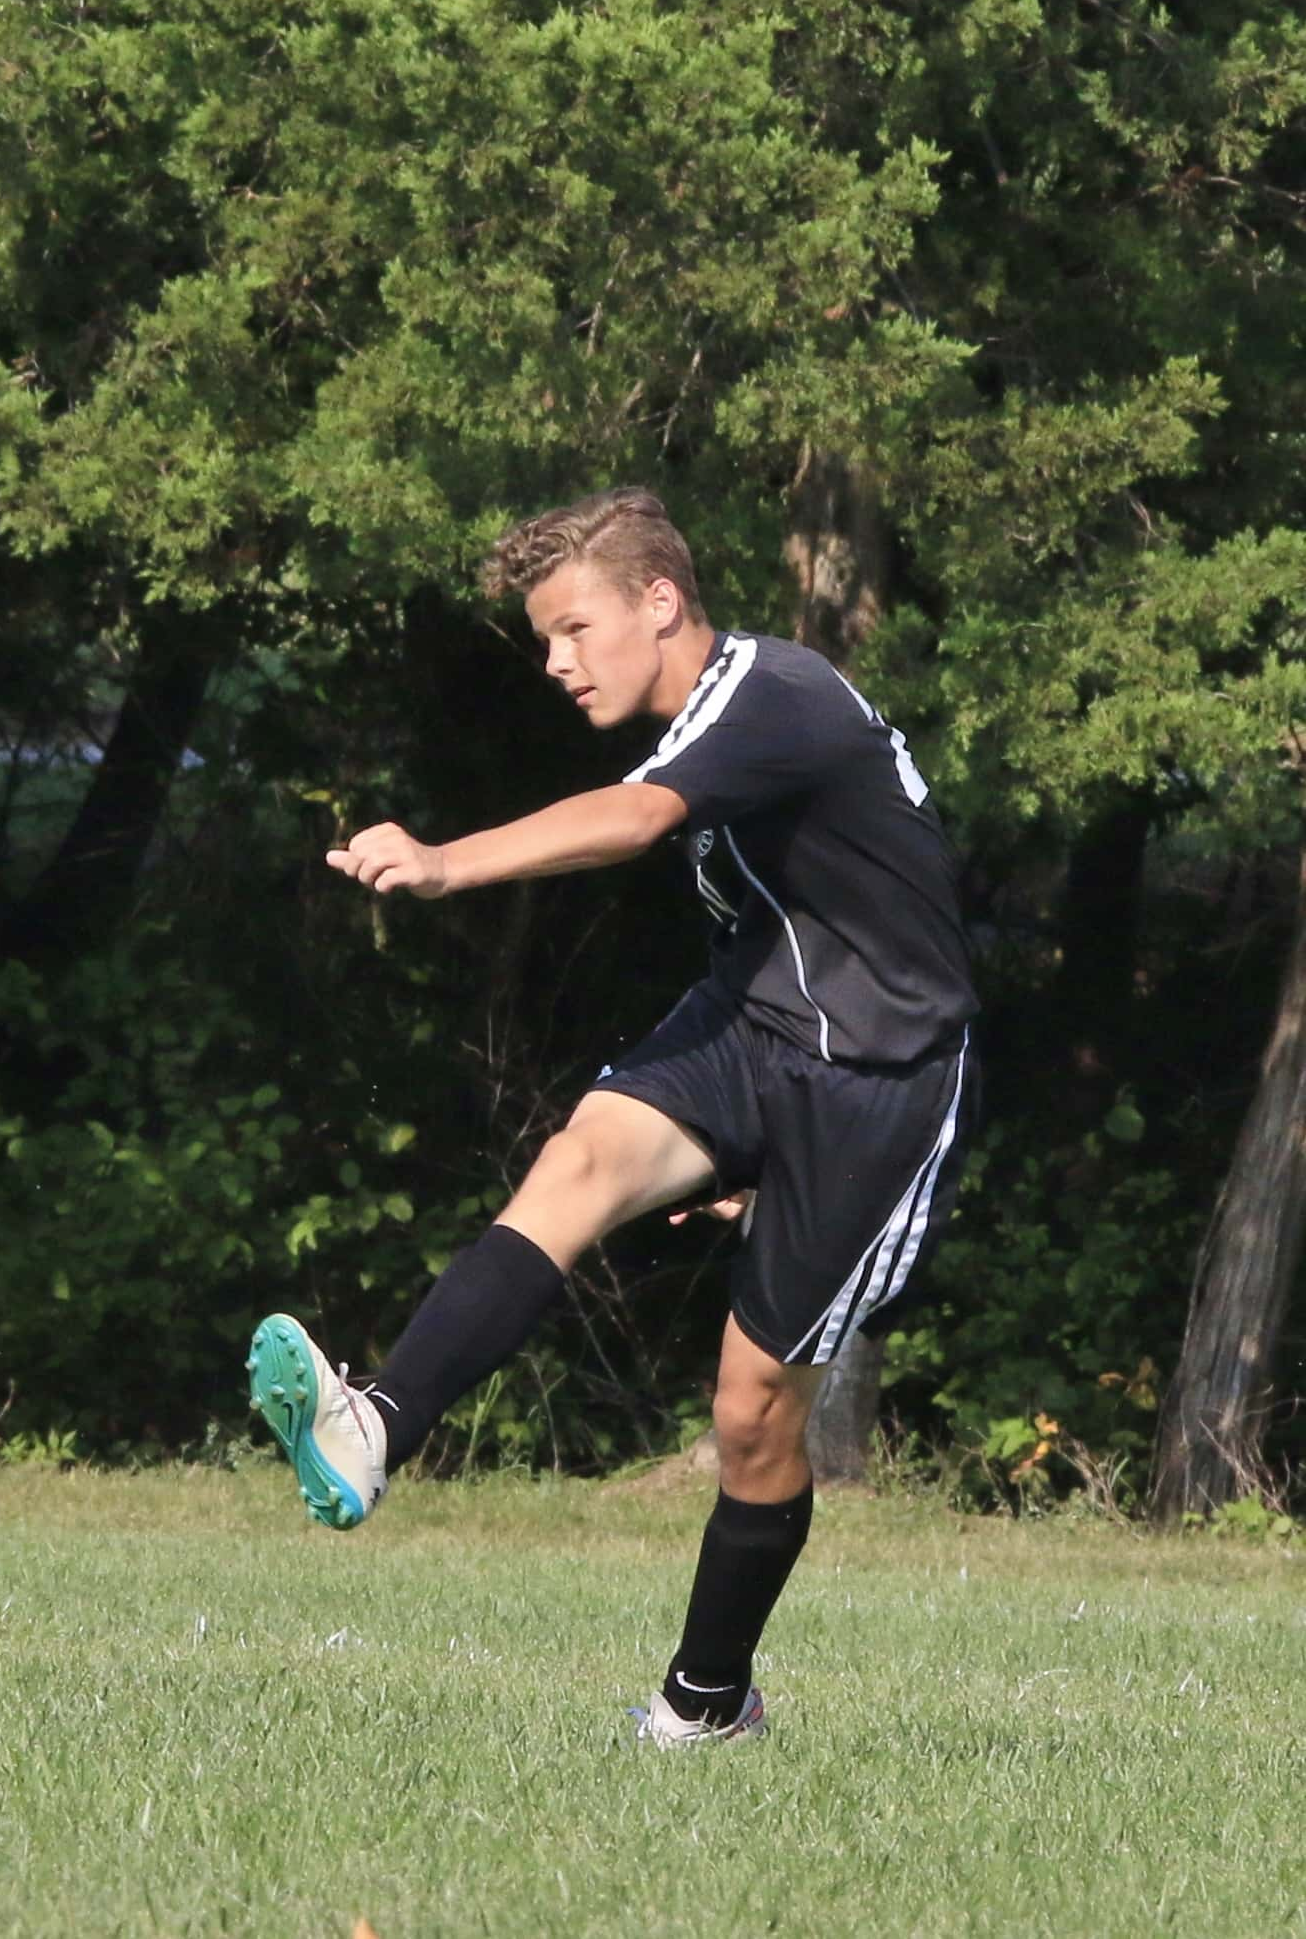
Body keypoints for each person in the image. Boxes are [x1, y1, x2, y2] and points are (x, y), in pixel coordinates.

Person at [247, 486, 979, 1744]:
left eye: (574, 629)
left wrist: (442, 860)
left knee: (751, 1416)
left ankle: (708, 1702)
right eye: (544, 640)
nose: (555, 662)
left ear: (661, 600)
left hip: (879, 1079)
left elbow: (636, 823)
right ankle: (373, 1427)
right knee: (577, 1160)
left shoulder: (772, 695)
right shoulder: (710, 721)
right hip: (753, 1030)